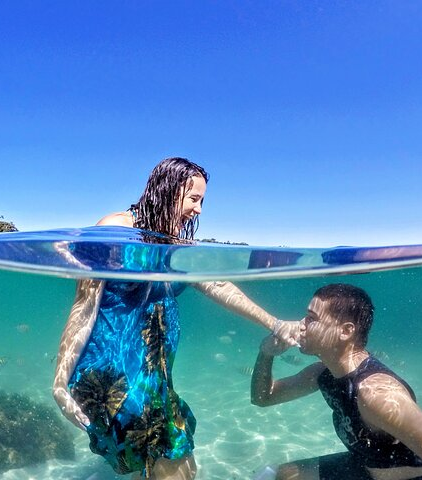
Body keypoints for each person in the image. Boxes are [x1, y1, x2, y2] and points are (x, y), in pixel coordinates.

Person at [52, 157, 297, 480]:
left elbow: (218, 284)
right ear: (168, 191)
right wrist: (59, 380)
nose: (199, 210)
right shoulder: (116, 229)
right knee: (174, 463)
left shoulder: (177, 243)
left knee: (181, 466)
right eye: (194, 199)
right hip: (116, 374)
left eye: (202, 201)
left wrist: (275, 323)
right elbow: (84, 305)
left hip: (153, 378)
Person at [251, 283, 422, 480]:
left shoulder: (377, 394)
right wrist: (266, 353)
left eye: (311, 318)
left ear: (345, 331)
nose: (300, 325)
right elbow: (264, 397)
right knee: (286, 475)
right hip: (364, 468)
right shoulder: (323, 373)